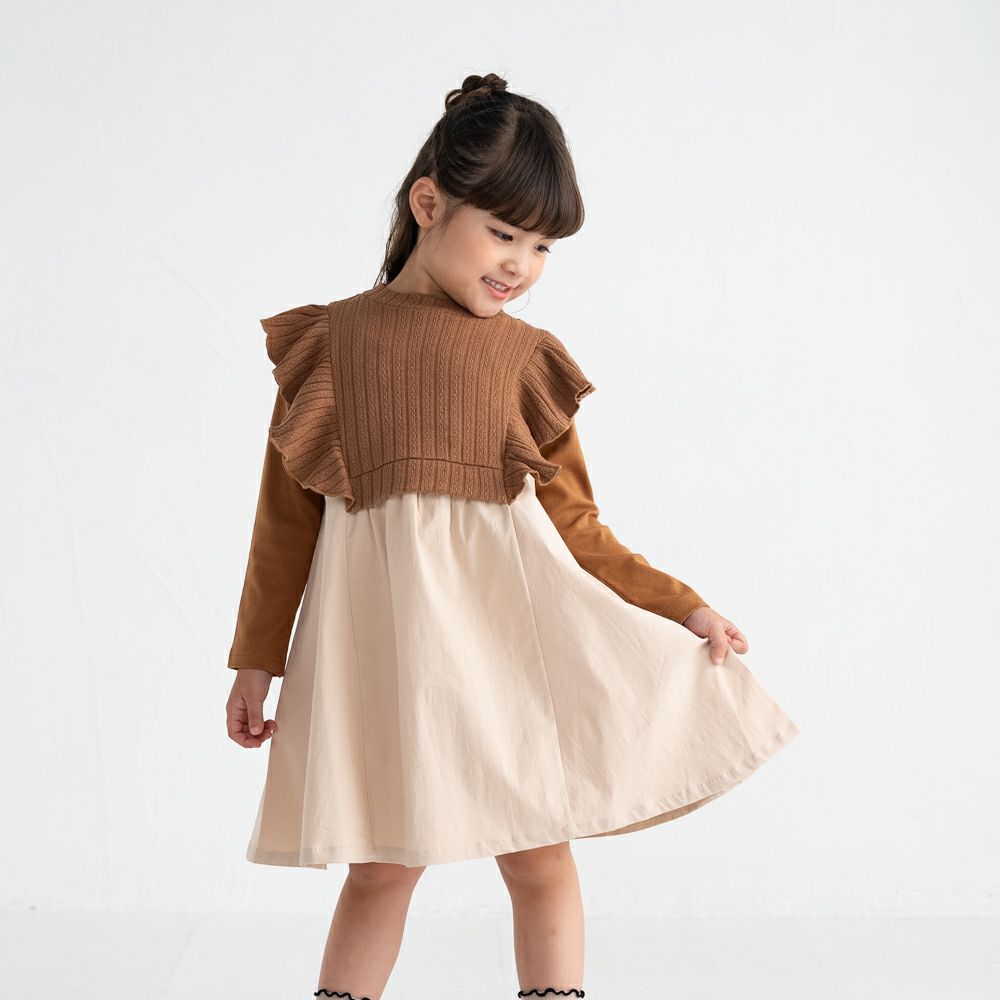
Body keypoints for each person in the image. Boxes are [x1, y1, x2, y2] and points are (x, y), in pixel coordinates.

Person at [224, 72, 800, 1000]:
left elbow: (576, 526)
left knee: (538, 858)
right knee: (380, 868)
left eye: (541, 247)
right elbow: (284, 522)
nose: (521, 265)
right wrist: (257, 660)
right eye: (504, 233)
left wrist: (681, 606)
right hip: (389, 655)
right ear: (429, 204)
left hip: (508, 652)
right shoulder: (330, 346)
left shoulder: (524, 361)